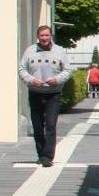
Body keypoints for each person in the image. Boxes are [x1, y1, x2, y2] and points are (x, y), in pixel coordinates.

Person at [17, 25, 72, 167]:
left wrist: (57, 80)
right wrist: (31, 80)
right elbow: (22, 69)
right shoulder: (30, 51)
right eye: (42, 36)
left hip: (53, 94)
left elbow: (67, 70)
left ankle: (48, 156)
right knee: (37, 126)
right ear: (38, 37)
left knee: (51, 125)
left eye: (47, 35)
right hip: (35, 92)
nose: (44, 38)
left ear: (51, 36)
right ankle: (40, 154)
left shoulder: (60, 51)